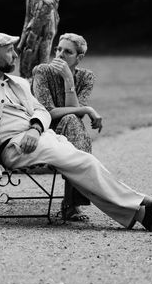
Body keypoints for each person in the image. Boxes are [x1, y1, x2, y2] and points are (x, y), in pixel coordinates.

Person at [0, 32, 152, 231]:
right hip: (14, 147)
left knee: (82, 164)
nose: (15, 54)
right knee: (83, 161)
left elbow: (42, 111)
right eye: (10, 50)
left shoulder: (19, 83)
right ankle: (147, 203)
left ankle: (143, 214)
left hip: (37, 138)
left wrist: (36, 129)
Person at [32, 33, 101, 221]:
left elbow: (76, 113)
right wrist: (87, 109)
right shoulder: (42, 72)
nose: (60, 54)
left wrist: (68, 80)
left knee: (72, 120)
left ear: (79, 58)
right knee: (72, 121)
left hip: (70, 131)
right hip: (45, 132)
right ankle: (72, 204)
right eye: (58, 49)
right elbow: (46, 113)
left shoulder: (86, 77)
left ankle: (73, 202)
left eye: (67, 52)